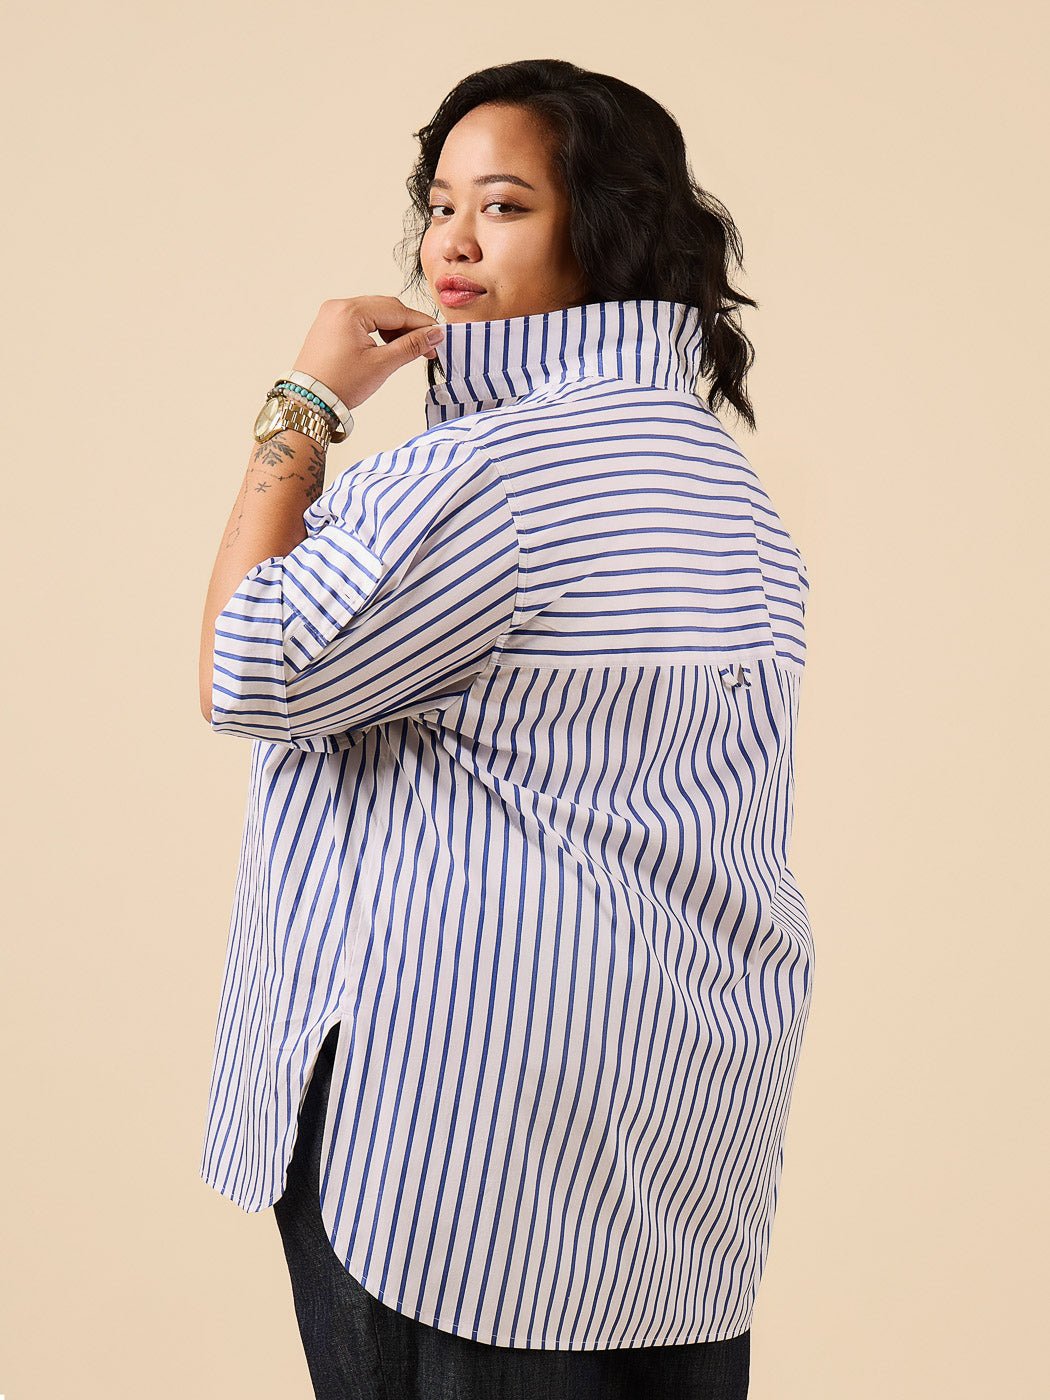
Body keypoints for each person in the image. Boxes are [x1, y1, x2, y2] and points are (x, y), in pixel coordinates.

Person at [198, 57, 813, 1400]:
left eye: (505, 205)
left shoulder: (480, 473)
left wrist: (302, 408)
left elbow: (248, 665)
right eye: (439, 206)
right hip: (678, 1102)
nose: (453, 244)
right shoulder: (721, 481)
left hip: (457, 1126)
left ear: (605, 227)